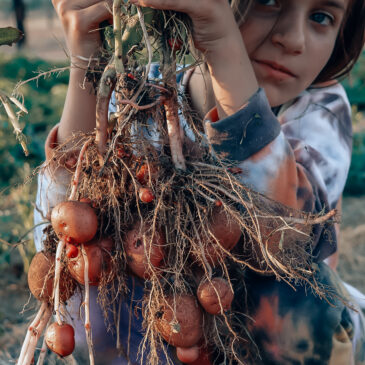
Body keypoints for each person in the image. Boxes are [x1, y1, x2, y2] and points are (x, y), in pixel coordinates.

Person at [34, 0, 365, 363]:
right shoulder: (140, 95)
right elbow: (58, 233)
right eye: (268, 2)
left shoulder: (318, 109)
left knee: (293, 298)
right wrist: (86, 60)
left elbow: (289, 235)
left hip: (292, 333)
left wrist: (223, 42)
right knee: (86, 272)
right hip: (174, 335)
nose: (293, 38)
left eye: (321, 17)